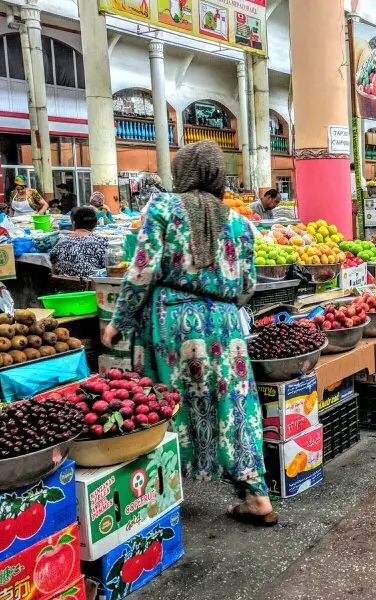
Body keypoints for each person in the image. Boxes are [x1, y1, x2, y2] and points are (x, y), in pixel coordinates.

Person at [101, 140, 276, 526]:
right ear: (217, 176)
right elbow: (248, 285)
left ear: (182, 172)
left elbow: (142, 270)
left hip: (171, 326)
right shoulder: (241, 224)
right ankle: (257, 497)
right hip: (226, 327)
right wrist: (219, 303)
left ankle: (159, 498)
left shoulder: (162, 209)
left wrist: (119, 320)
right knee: (235, 406)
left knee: (164, 404)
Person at [50, 207, 108, 278]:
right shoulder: (101, 242)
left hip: (63, 286)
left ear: (73, 224)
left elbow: (53, 269)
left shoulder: (60, 240)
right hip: (92, 287)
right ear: (95, 225)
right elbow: (109, 268)